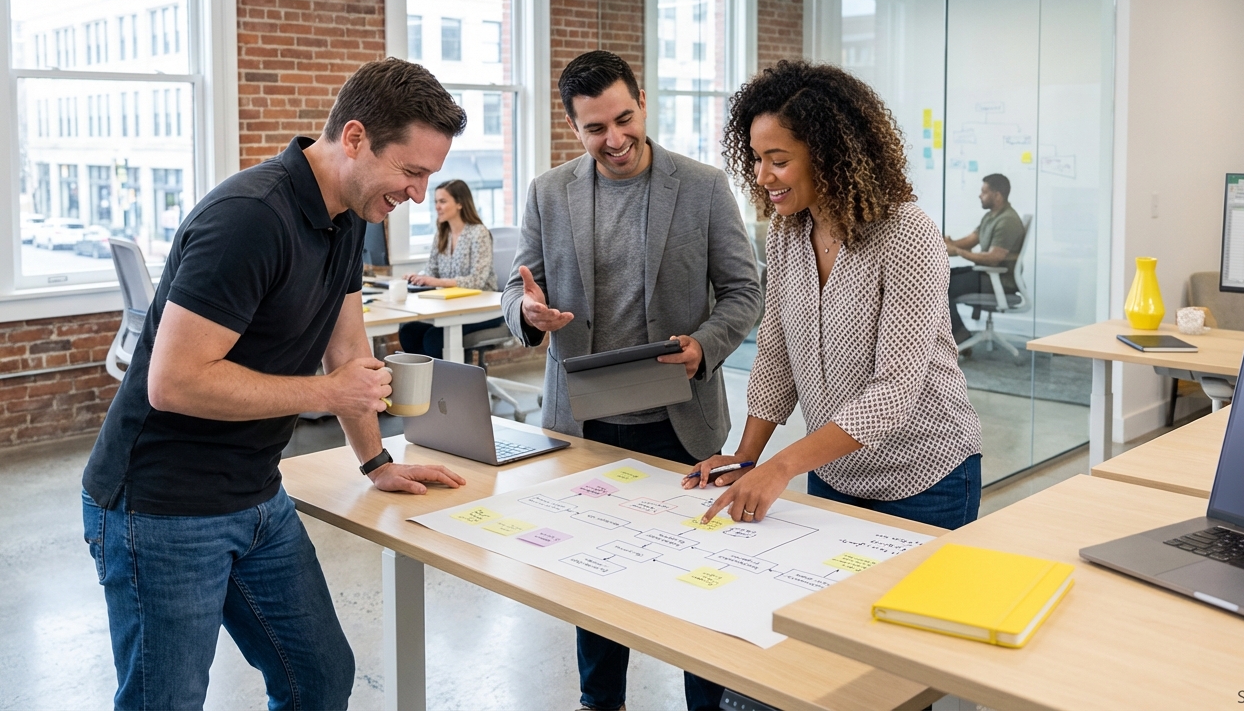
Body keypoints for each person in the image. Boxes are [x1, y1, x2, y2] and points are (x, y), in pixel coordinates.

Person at [81, 58, 470, 711]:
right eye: (411, 172)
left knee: (317, 678)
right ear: (354, 139)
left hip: (256, 494)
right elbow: (172, 383)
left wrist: (375, 459)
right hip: (159, 507)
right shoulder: (248, 219)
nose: (419, 193)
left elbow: (347, 347)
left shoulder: (348, 218)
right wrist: (326, 395)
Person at [502, 50, 761, 711]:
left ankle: (707, 703)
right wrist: (527, 313)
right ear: (573, 126)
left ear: (642, 101)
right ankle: (601, 701)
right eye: (595, 128)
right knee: (595, 583)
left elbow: (743, 290)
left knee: (700, 582)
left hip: (683, 425)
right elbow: (515, 289)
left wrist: (706, 345)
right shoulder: (547, 192)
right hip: (586, 425)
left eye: (624, 118)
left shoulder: (702, 186)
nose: (614, 140)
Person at [688, 59, 982, 537]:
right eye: (756, 158)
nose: (762, 176)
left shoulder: (906, 234)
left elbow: (894, 390)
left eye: (778, 160)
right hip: (832, 469)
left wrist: (781, 467)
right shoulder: (787, 232)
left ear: (827, 154)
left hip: (928, 478)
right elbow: (777, 355)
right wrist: (745, 458)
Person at [399, 178, 504, 358]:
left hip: (483, 310)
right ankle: (427, 383)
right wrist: (418, 277)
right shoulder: (442, 232)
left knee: (434, 339)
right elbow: (431, 271)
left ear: (460, 204)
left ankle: (451, 383)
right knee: (409, 332)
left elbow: (477, 281)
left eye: (443, 201)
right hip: (452, 307)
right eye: (436, 202)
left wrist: (436, 281)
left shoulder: (478, 233)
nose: (437, 207)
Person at [943, 173, 1025, 347]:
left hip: (999, 280)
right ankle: (958, 333)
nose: (980, 195)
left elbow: (994, 259)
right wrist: (948, 244)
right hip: (986, 275)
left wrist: (956, 250)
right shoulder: (991, 216)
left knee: (941, 285)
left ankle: (960, 334)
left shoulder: (1007, 220)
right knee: (941, 277)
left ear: (997, 195)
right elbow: (971, 240)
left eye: (984, 191)